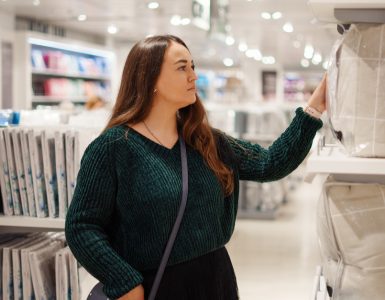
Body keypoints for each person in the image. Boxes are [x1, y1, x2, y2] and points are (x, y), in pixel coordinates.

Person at [65, 34, 326, 300]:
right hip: (154, 287)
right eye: (182, 68)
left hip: (215, 281)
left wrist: (314, 108)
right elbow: (81, 226)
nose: (193, 76)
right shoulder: (113, 148)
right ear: (149, 77)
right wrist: (124, 282)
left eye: (193, 66)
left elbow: (271, 163)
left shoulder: (206, 141)